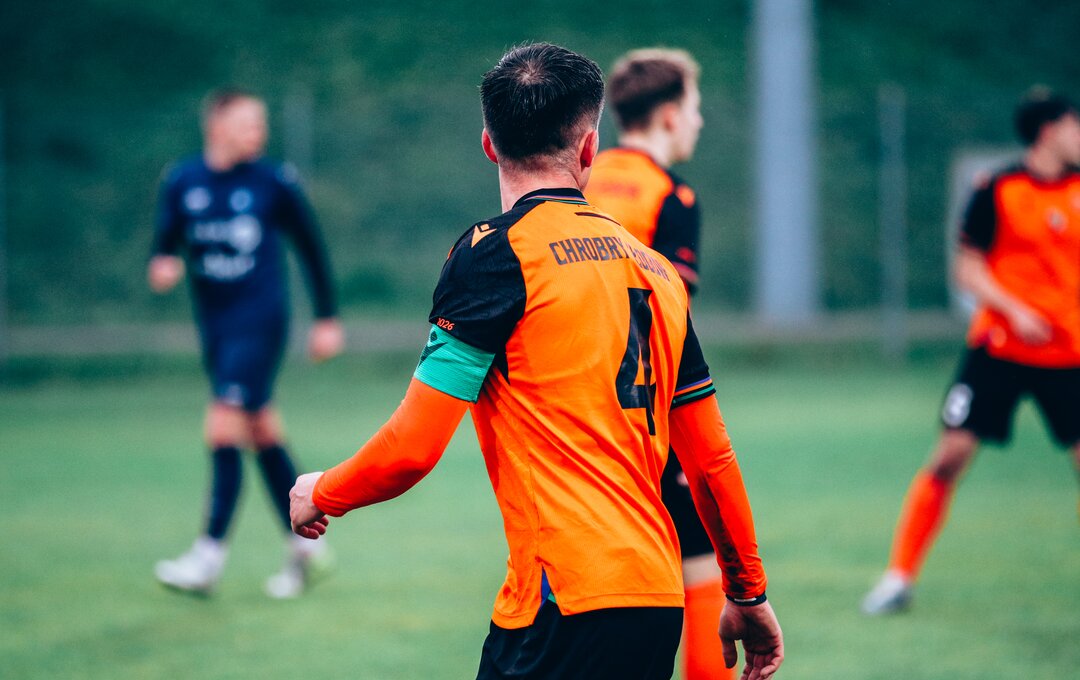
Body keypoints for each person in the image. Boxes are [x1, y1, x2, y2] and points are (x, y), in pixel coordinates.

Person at [289, 43, 783, 679]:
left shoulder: (493, 257)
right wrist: (748, 593)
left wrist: (321, 491)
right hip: (655, 601)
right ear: (590, 147)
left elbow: (413, 448)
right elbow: (710, 460)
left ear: (489, 145)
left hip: (563, 604)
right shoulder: (656, 272)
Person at [862, 88, 1080, 615]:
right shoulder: (997, 188)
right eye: (1074, 126)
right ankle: (898, 577)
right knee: (949, 457)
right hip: (999, 349)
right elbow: (968, 268)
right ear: (1049, 131)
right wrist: (1016, 310)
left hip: (1069, 356)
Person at [149, 88, 345, 599]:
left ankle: (207, 557)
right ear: (217, 127)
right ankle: (307, 548)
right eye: (247, 125)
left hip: (260, 321)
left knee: (223, 426)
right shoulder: (182, 179)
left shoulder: (272, 181)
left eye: (261, 124)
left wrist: (326, 317)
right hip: (215, 327)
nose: (259, 133)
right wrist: (162, 261)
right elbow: (166, 237)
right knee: (260, 432)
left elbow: (311, 246)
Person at [584, 48, 727, 680]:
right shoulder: (673, 195)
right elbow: (667, 316)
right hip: (642, 403)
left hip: (570, 402)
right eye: (694, 107)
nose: (699, 120)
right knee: (700, 557)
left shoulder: (581, 178)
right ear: (669, 115)